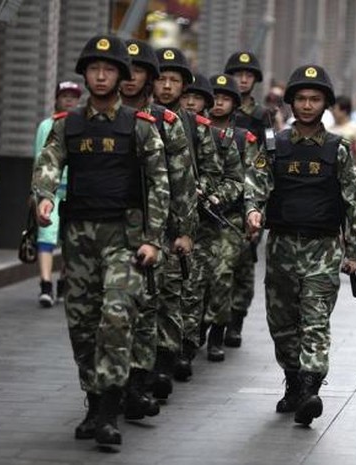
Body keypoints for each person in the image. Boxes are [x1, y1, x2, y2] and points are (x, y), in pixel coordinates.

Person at [32, 35, 169, 445]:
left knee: (115, 316)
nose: (102, 75)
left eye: (109, 69)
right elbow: (49, 164)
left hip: (125, 240)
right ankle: (93, 404)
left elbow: (160, 184)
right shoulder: (67, 125)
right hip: (79, 239)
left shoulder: (139, 127)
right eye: (94, 69)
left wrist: (154, 239)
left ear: (121, 76)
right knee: (83, 324)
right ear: (85, 74)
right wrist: (44, 197)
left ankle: (109, 412)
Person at [245, 64, 356, 426]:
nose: (308, 105)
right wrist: (252, 210)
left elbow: (353, 201)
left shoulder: (338, 149)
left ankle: (311, 389)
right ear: (291, 103)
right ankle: (294, 381)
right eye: (301, 99)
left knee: (314, 321)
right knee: (282, 323)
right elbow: (256, 183)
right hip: (281, 246)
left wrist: (353, 252)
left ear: (325, 104)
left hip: (323, 248)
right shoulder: (275, 146)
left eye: (315, 99)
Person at [120, 38, 197, 418]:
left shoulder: (167, 122)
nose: (131, 78)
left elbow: (182, 182)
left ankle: (144, 378)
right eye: (126, 69)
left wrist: (184, 231)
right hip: (109, 227)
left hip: (157, 229)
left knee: (153, 304)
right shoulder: (103, 118)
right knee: (113, 311)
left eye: (139, 72)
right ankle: (114, 385)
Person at [151, 47, 222, 395]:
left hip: (181, 223)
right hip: (143, 222)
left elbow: (211, 171)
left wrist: (196, 193)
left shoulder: (196, 125)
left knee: (173, 294)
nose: (166, 86)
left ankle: (167, 360)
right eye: (161, 78)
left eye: (174, 80)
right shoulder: (141, 119)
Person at [223, 51, 272, 347]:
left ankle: (235, 320)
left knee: (244, 261)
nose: (243, 79)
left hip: (249, 194)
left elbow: (270, 154)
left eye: (248, 75)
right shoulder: (215, 105)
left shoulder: (261, 115)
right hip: (217, 195)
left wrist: (262, 197)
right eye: (238, 74)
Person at [206, 73, 256, 357]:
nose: (218, 103)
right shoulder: (196, 132)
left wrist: (253, 213)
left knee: (226, 275)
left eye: (224, 99)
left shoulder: (243, 139)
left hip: (231, 218)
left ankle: (218, 331)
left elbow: (253, 179)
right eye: (214, 98)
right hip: (199, 216)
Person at [33, 81, 81, 307]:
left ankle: (63, 281)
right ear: (56, 98)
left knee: (70, 239)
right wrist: (36, 192)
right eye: (65, 95)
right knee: (46, 236)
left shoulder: (82, 125)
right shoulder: (46, 125)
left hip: (75, 191)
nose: (69, 100)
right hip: (50, 193)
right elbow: (39, 159)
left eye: (73, 96)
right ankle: (45, 284)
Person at [328, 95, 356, 182]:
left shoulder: (355, 128)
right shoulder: (328, 130)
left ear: (344, 111)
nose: (332, 112)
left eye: (335, 109)